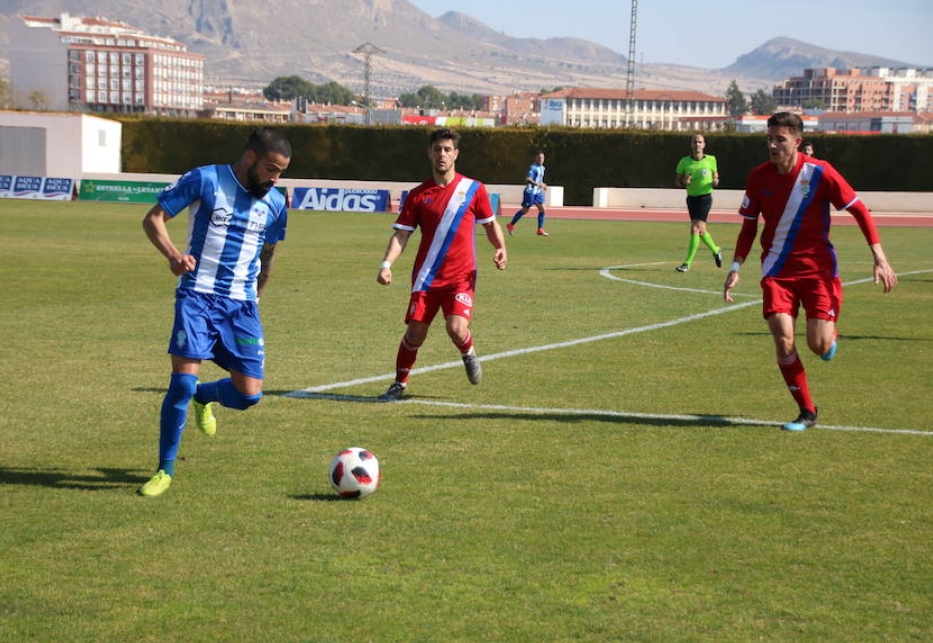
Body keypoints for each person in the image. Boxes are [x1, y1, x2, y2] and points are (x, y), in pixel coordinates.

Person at [138, 126, 292, 496]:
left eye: (281, 172)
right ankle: (165, 470)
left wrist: (256, 296)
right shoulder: (205, 179)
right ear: (251, 158)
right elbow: (153, 218)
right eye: (271, 169)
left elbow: (268, 253)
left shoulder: (275, 203)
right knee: (182, 382)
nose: (275, 179)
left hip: (242, 306)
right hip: (197, 296)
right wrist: (174, 256)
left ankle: (205, 398)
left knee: (249, 395)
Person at [723, 112, 897, 432]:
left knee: (818, 345)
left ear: (797, 142)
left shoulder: (821, 173)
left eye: (780, 139)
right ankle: (807, 411)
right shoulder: (758, 177)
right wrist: (736, 266)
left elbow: (859, 210)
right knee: (782, 337)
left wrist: (880, 257)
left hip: (818, 271)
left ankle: (829, 340)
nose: (772, 145)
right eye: (769, 139)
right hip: (777, 270)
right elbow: (749, 228)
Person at [377, 127, 508, 401]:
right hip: (426, 277)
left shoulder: (473, 189)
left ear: (456, 154)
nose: (442, 154)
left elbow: (490, 224)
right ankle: (398, 385)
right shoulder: (417, 195)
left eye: (448, 149)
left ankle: (468, 353)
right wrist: (386, 264)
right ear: (429, 153)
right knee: (415, 332)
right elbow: (402, 234)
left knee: (456, 328)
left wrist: (500, 248)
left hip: (461, 276)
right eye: (437, 149)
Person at [674, 134, 723, 272]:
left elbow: (715, 176)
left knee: (695, 229)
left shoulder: (711, 160)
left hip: (705, 198)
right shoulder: (684, 162)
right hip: (691, 198)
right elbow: (677, 181)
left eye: (700, 142)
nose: (697, 144)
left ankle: (687, 264)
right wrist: (684, 182)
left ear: (704, 144)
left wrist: (715, 181)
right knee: (701, 231)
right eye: (695, 142)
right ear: (691, 144)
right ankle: (716, 250)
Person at [506, 151, 548, 236]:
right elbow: (528, 179)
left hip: (538, 192)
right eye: (539, 158)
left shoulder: (542, 168)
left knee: (543, 209)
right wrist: (538, 184)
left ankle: (540, 229)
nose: (541, 159)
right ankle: (511, 224)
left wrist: (543, 185)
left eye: (542, 158)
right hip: (530, 192)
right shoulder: (533, 168)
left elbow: (539, 179)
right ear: (535, 158)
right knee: (525, 210)